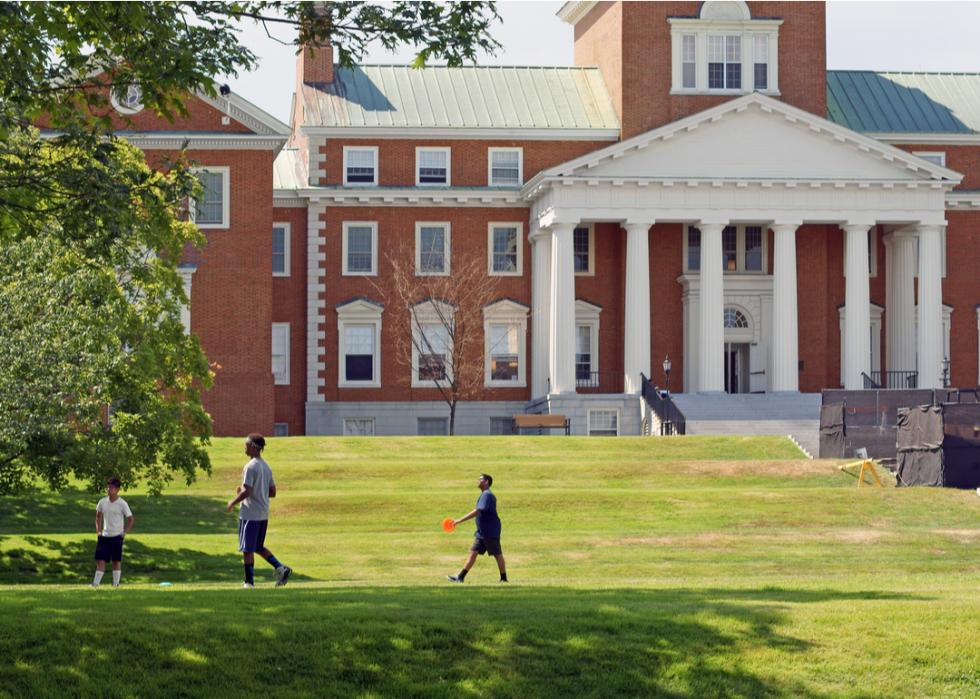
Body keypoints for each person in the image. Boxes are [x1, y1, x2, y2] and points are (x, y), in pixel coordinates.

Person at [226, 433, 293, 588]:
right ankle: (281, 569)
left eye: (246, 444)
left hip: (250, 513)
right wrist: (247, 491)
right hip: (263, 513)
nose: (244, 447)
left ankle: (249, 583)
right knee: (257, 546)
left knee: (247, 548)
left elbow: (247, 492)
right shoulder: (265, 466)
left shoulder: (250, 467)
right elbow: (272, 492)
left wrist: (233, 502)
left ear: (253, 447)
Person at [447, 473, 507, 583]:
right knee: (472, 553)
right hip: (482, 532)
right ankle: (460, 578)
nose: (478, 481)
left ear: (487, 482)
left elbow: (478, 510)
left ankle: (504, 579)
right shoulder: (485, 495)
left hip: (489, 531)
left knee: (497, 554)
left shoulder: (487, 495)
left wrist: (460, 520)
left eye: (480, 479)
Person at [91, 477, 134, 587]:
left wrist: (123, 534)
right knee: (100, 560)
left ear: (117, 489)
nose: (109, 489)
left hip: (117, 536)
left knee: (116, 561)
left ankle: (115, 584)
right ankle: (95, 584)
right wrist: (98, 532)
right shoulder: (102, 502)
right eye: (108, 487)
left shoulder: (122, 503)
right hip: (105, 536)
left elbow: (131, 520)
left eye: (111, 487)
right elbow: (98, 517)